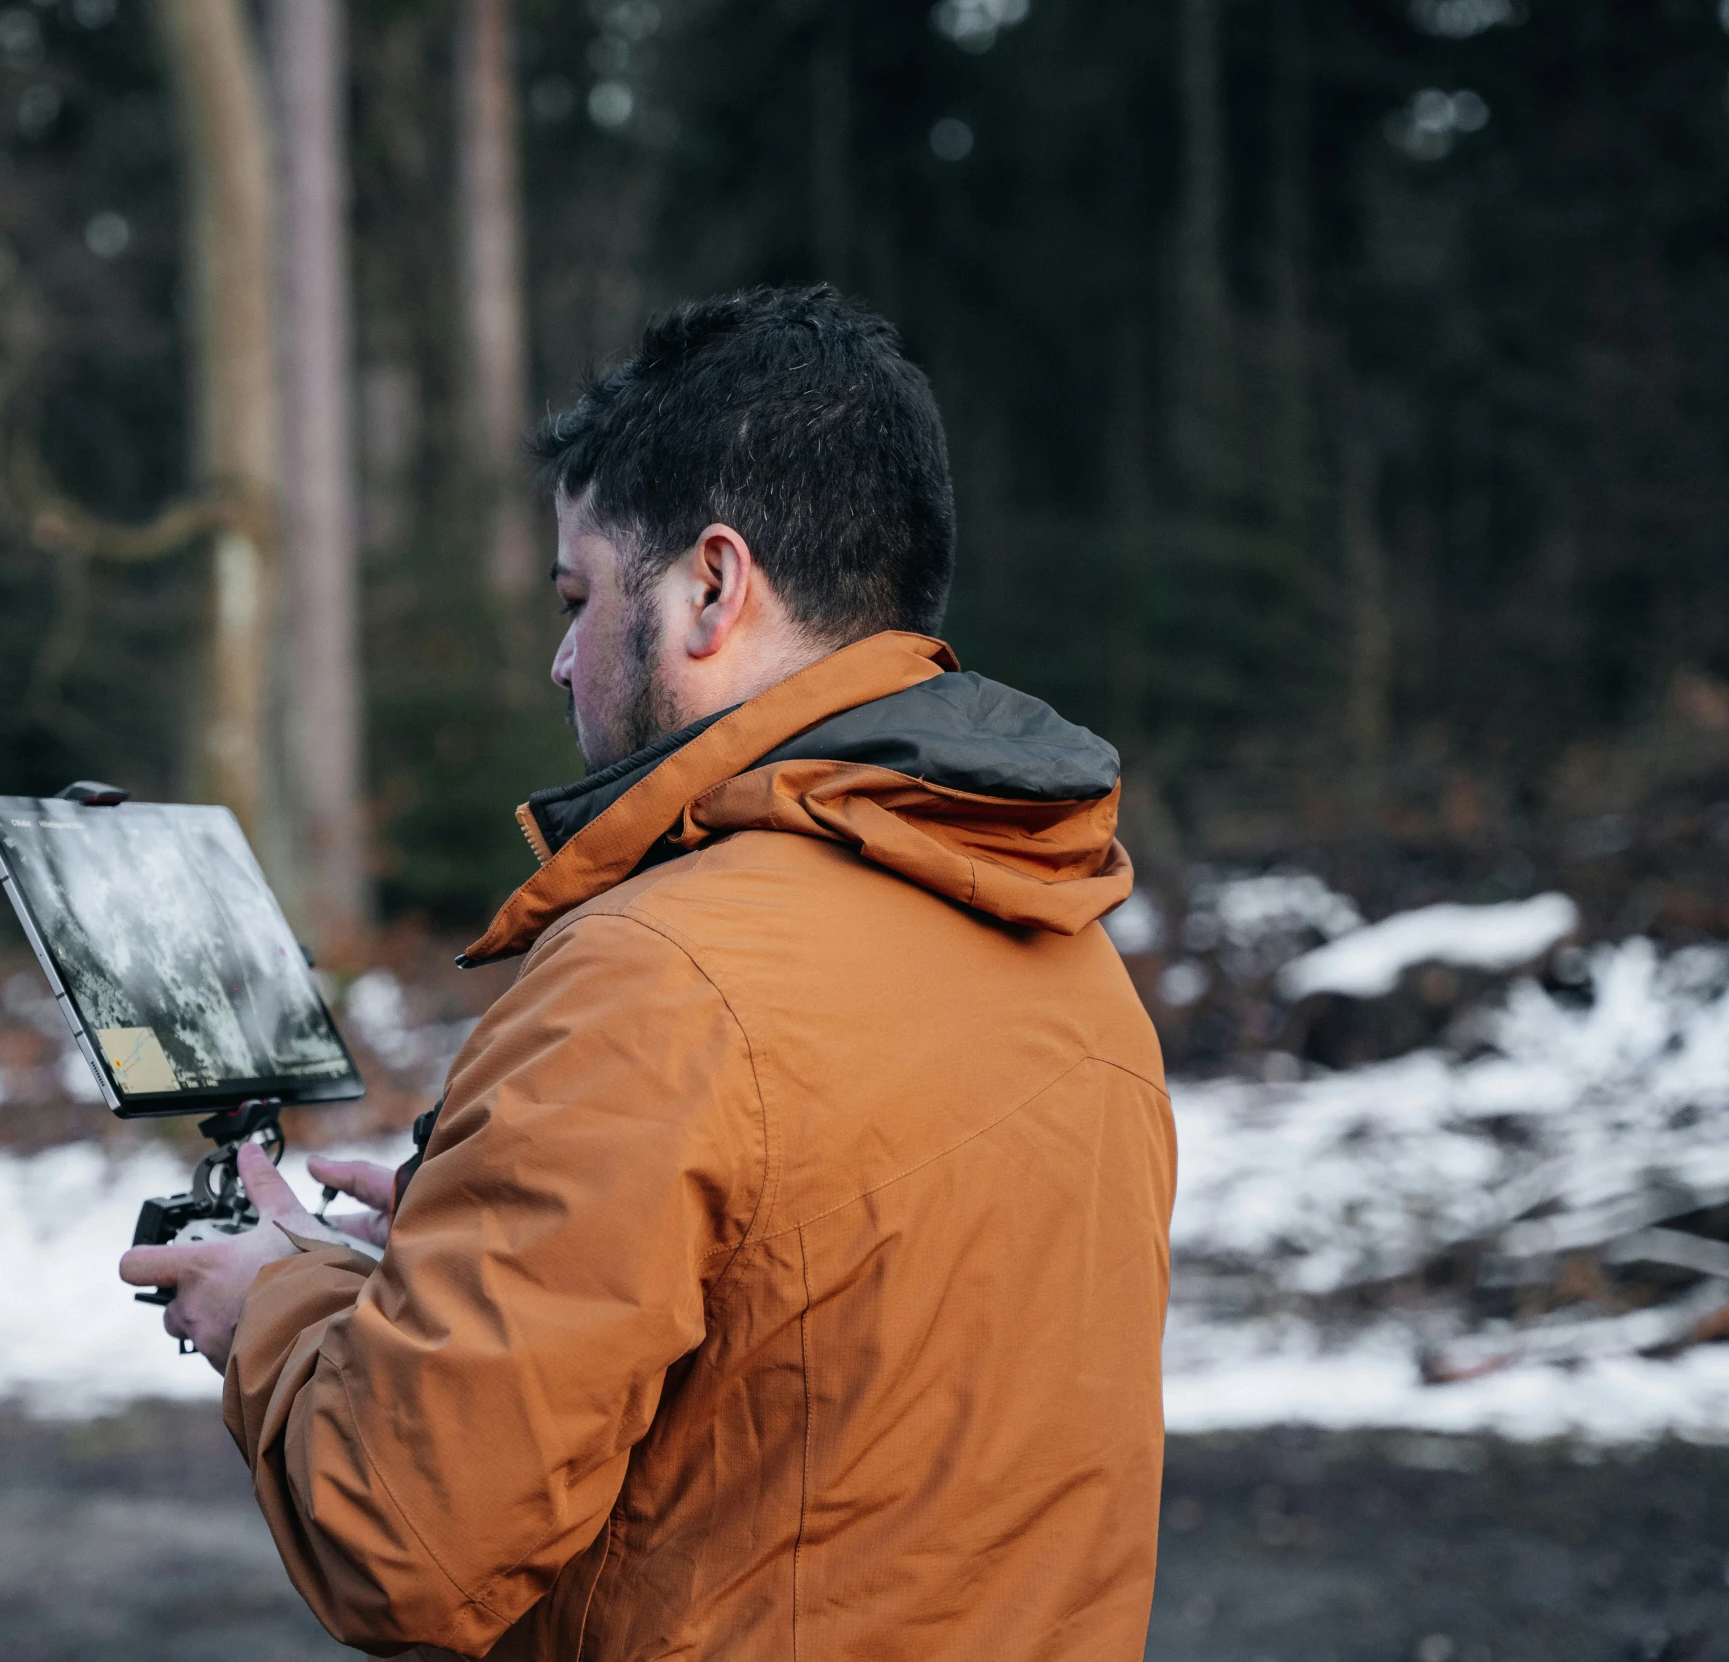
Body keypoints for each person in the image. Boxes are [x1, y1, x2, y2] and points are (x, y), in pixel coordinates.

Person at [121, 285, 1175, 1661]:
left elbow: (405, 1537)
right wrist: (468, 1260)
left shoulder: (656, 979)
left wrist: (275, 1301)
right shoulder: (1073, 953)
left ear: (713, 587)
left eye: (579, 594)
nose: (562, 656)